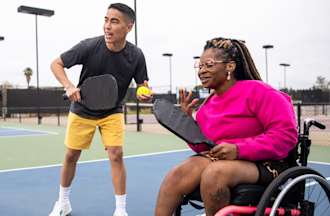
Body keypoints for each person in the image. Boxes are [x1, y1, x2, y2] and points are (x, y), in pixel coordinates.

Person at [154, 37, 298, 216]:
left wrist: (238, 149)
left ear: (230, 66)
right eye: (200, 66)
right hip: (226, 161)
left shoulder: (260, 92)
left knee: (214, 174)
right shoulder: (207, 106)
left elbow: (286, 136)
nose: (202, 71)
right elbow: (204, 146)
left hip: (267, 163)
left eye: (209, 65)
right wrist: (188, 124)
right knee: (177, 175)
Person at [49, 3, 151, 216]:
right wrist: (68, 85)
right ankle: (63, 202)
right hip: (82, 109)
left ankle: (121, 210)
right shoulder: (89, 46)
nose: (107, 26)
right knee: (71, 156)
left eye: (114, 21)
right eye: (106, 20)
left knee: (116, 154)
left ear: (129, 27)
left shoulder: (136, 55)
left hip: (112, 111)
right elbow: (56, 64)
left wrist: (143, 90)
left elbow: (142, 83)